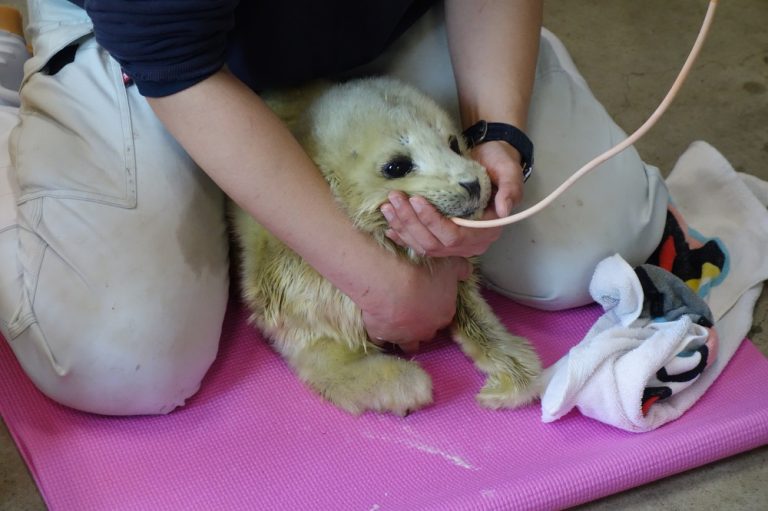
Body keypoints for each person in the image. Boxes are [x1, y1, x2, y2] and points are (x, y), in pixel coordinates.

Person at [0, 0, 668, 416]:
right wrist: (385, 285)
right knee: (122, 361)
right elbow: (174, 58)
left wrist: (499, 136)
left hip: (376, 20)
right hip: (150, 54)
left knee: (599, 245)